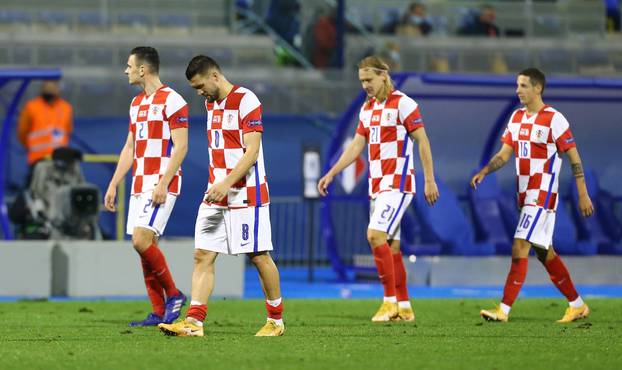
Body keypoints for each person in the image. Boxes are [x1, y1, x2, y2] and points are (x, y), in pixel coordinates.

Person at [158, 55, 284, 337]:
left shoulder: (246, 100)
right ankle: (194, 322)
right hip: (216, 193)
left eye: (200, 85)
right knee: (202, 255)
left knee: (258, 256)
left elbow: (251, 152)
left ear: (215, 76)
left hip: (246, 193)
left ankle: (275, 320)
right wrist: (220, 185)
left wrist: (227, 183)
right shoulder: (210, 103)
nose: (199, 92)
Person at [317, 56, 439, 322]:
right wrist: (332, 173)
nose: (365, 85)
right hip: (377, 186)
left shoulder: (403, 104)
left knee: (374, 235)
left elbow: (422, 141)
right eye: (361, 81)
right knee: (392, 246)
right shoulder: (367, 108)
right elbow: (357, 146)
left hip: (398, 184)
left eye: (369, 79)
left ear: (384, 75)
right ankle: (404, 306)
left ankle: (388, 302)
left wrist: (429, 179)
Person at [471, 68, 593, 323]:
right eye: (517, 85)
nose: (518, 90)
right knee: (543, 251)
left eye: (524, 85)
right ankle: (577, 304)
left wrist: (582, 193)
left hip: (543, 193)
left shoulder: (554, 119)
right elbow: (505, 154)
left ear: (538, 88)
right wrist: (485, 170)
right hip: (525, 195)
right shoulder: (516, 118)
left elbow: (573, 156)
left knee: (519, 245)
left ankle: (503, 310)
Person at [104, 46, 188, 327]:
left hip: (161, 181)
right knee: (144, 247)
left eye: (129, 65)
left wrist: (164, 182)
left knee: (141, 241)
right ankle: (158, 311)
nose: (125, 71)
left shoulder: (173, 100)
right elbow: (130, 147)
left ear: (143, 69)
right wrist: (114, 183)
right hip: (140, 182)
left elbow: (181, 146)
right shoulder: (136, 104)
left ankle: (174, 295)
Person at [17, 79, 73, 180]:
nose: (50, 86)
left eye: (53, 84)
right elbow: (22, 133)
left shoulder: (66, 108)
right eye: (47, 83)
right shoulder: (31, 107)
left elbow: (68, 131)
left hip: (60, 160)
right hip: (37, 160)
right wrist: (32, 147)